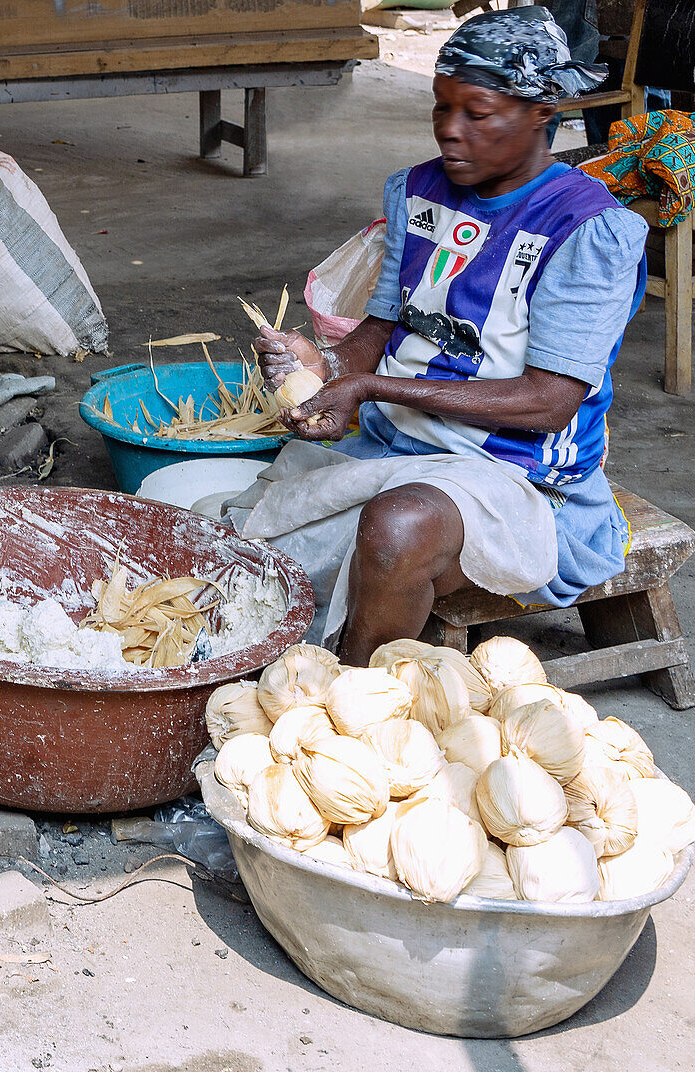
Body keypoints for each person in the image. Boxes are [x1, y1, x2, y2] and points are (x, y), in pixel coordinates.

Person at [228, 6, 648, 666]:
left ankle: (355, 701)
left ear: (541, 111)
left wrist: (368, 386)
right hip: (395, 444)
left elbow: (549, 402)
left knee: (397, 528)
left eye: (476, 114)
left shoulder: (586, 230)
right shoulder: (420, 191)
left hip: (521, 479)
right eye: (439, 108)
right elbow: (387, 322)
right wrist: (327, 363)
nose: (450, 133)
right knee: (237, 544)